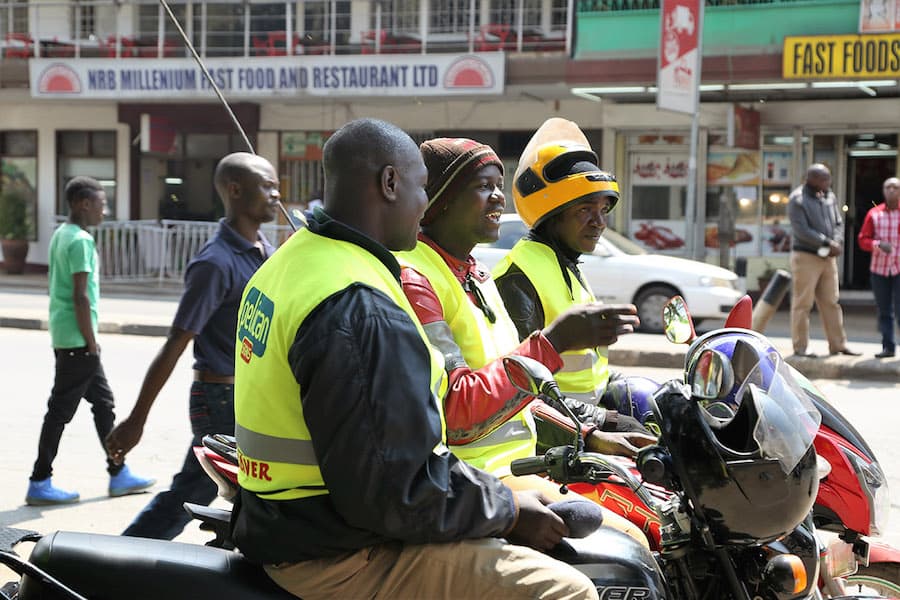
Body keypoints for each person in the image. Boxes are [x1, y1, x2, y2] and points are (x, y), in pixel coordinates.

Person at [231, 118, 599, 600]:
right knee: (568, 590)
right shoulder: (359, 303)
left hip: (292, 522)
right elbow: (396, 489)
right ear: (389, 183)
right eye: (422, 187)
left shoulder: (291, 261)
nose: (424, 204)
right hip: (337, 550)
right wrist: (509, 511)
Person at [395, 136, 655, 544]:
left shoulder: (475, 274)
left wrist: (590, 434)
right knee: (632, 542)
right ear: (440, 199)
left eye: (499, 186)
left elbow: (520, 392)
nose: (499, 198)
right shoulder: (416, 279)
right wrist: (554, 342)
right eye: (483, 186)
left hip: (524, 465)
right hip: (470, 483)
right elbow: (455, 412)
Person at [105, 152, 279, 539]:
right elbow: (176, 341)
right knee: (196, 489)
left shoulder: (267, 253)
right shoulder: (215, 263)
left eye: (276, 185)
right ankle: (119, 558)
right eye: (266, 186)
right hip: (220, 397)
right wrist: (137, 419)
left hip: (251, 395)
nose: (276, 194)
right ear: (235, 190)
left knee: (253, 491)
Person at [493, 118, 656, 435]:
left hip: (580, 424)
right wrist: (604, 421)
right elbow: (521, 389)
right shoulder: (517, 277)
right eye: (584, 210)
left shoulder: (566, 265)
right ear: (552, 215)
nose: (599, 222)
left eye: (603, 209)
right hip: (552, 442)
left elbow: (589, 374)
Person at [26, 176, 155, 506]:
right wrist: (91, 341)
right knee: (59, 411)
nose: (104, 211)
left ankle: (118, 472)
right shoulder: (80, 240)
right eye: (102, 204)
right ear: (84, 204)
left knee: (103, 403)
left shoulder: (61, 233)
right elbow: (80, 296)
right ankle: (40, 480)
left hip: (67, 335)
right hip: (78, 340)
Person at [787, 163, 860, 358]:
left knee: (831, 302)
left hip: (827, 258)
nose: (828, 182)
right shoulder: (797, 199)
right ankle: (801, 347)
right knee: (803, 303)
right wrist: (828, 243)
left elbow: (838, 222)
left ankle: (838, 345)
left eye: (829, 178)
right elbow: (801, 231)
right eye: (824, 179)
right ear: (811, 179)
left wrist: (837, 241)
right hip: (806, 257)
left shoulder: (829, 196)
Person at [858, 176, 900, 359]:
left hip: (899, 268)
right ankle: (888, 347)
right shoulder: (874, 214)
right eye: (888, 187)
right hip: (879, 269)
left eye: (895, 187)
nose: (891, 190)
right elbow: (862, 240)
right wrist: (877, 244)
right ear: (883, 191)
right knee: (884, 311)